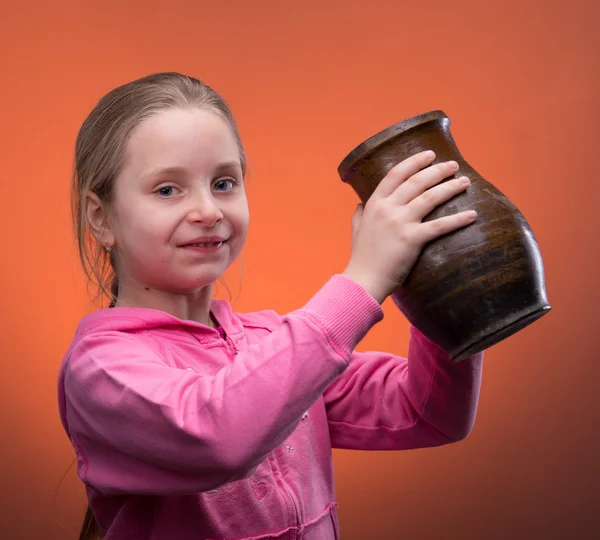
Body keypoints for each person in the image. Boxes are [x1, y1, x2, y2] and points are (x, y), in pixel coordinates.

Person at [57, 72, 484, 540]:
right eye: (167, 190)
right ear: (101, 218)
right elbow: (219, 437)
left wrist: (447, 283)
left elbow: (430, 413)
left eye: (223, 182)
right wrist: (363, 279)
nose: (208, 210)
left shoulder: (272, 345)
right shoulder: (101, 369)